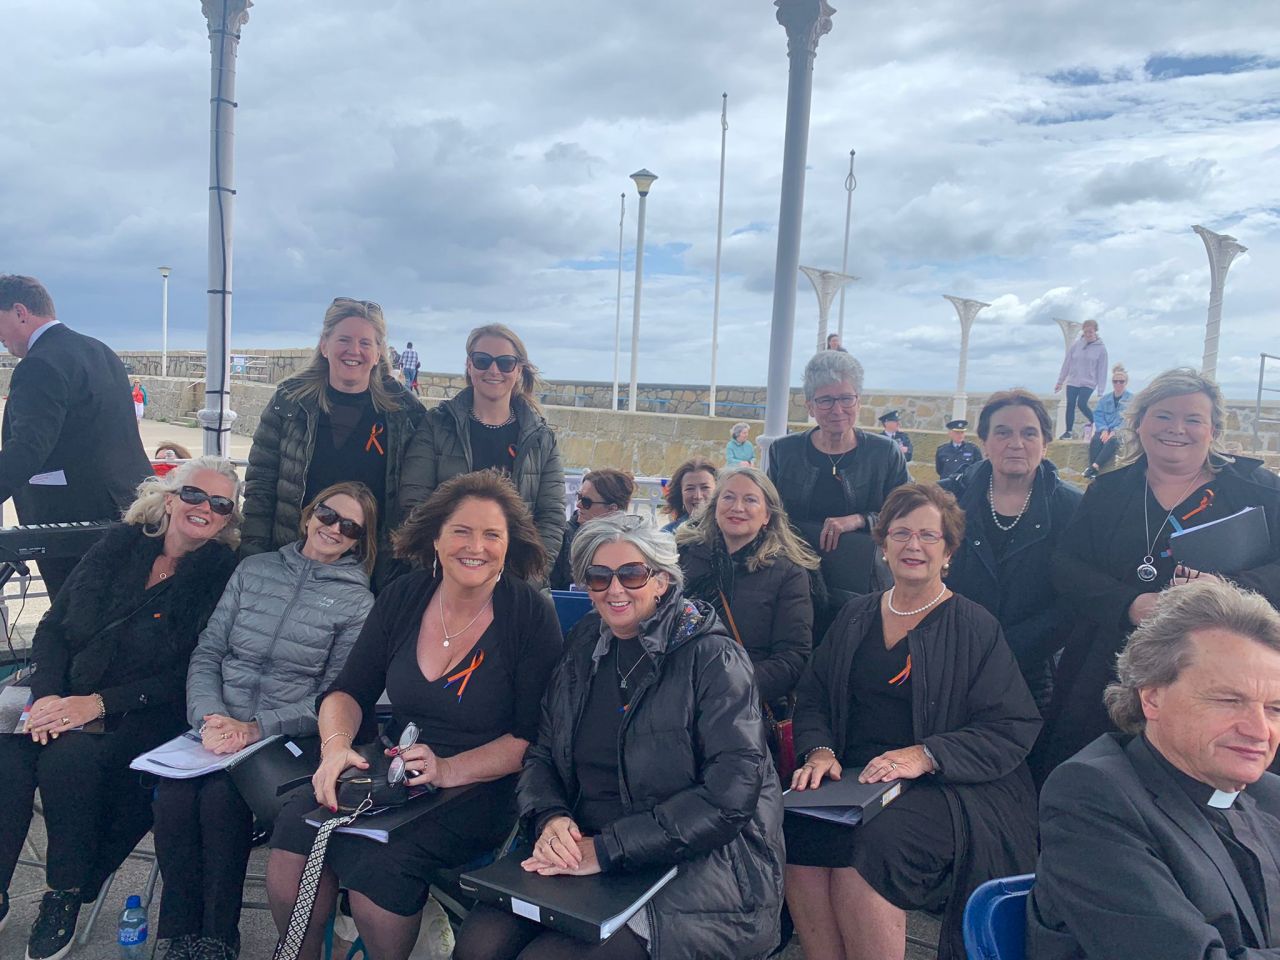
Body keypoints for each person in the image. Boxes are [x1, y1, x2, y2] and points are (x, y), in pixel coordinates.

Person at [454, 513, 785, 960]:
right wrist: (550, 817)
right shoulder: (585, 643)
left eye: (631, 574)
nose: (614, 590)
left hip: (699, 866)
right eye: (598, 576)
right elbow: (544, 754)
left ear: (662, 581)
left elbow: (730, 796)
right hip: (585, 845)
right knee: (478, 944)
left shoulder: (714, 660)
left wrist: (608, 849)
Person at [265, 470, 561, 960]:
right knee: (295, 834)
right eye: (462, 530)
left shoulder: (529, 613)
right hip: (393, 771)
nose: (477, 546)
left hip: (483, 785)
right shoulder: (404, 596)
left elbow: (530, 740)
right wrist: (336, 748)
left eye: (493, 535)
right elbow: (347, 692)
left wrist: (447, 769)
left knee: (378, 865)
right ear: (437, 537)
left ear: (510, 546)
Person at [786, 483, 1041, 960]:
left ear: (949, 552)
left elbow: (1011, 725)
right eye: (901, 533)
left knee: (870, 849)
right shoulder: (855, 614)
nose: (913, 545)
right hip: (857, 776)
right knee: (797, 830)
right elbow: (814, 693)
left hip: (952, 786)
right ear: (882, 545)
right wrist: (819, 750)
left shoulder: (975, 625)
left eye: (929, 535)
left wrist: (926, 755)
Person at [0, 457, 240, 960]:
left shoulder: (220, 577)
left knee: (69, 758)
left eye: (221, 504)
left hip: (144, 711)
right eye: (195, 495)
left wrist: (95, 703)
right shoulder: (119, 544)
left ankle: (62, 895)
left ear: (226, 519)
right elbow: (54, 627)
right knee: (10, 755)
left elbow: (186, 674)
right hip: (65, 692)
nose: (205, 509)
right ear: (170, 498)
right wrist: (46, 695)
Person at [151, 482, 377, 960]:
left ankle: (217, 936)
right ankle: (176, 932)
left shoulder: (359, 603)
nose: (333, 528)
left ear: (360, 540)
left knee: (219, 800)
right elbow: (209, 650)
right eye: (327, 514)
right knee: (172, 797)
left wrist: (256, 728)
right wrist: (209, 716)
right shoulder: (254, 570)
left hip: (279, 736)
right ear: (308, 514)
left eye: (349, 526)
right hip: (215, 724)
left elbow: (334, 696)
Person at [1038, 368, 1280, 780]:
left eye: (1193, 419)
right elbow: (1066, 566)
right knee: (1092, 774)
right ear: (1139, 423)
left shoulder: (1258, 489)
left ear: (1213, 429)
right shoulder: (1109, 491)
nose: (1177, 429)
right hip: (1109, 663)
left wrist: (1228, 590)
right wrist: (1127, 604)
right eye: (1163, 416)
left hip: (1228, 668)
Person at [1028, 579, 1280, 958]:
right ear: (1152, 697)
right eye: (1229, 700)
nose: (1260, 730)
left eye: (1275, 708)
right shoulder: (1092, 795)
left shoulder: (1268, 794)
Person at [242, 297, 424, 591]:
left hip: (368, 570)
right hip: (292, 557)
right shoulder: (289, 402)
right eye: (344, 339)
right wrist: (255, 559)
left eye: (366, 343)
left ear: (379, 352)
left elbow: (416, 500)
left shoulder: (405, 412)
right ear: (324, 345)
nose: (354, 351)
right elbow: (260, 487)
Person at [0, 275, 153, 596]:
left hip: (70, 521)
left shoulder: (39, 364)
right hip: (129, 508)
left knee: (75, 622)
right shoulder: (101, 351)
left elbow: (27, 449)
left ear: (20, 312)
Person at [939, 390, 1081, 709]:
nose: (1016, 443)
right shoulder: (947, 499)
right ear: (985, 442)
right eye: (1003, 432)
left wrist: (1006, 648)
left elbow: (1073, 598)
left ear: (1045, 443)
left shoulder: (1072, 509)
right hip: (950, 659)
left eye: (1029, 433)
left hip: (1031, 669)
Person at [401, 323, 566, 576]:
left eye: (505, 363)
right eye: (482, 360)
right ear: (469, 365)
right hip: (444, 577)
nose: (493, 370)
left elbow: (552, 519)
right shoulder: (436, 425)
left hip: (515, 581)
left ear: (518, 370)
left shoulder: (542, 439)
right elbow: (414, 503)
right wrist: (441, 572)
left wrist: (527, 581)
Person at [766, 351, 909, 596]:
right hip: (793, 576)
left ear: (859, 402)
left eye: (846, 398)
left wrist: (860, 519)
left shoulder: (885, 453)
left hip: (863, 581)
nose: (837, 409)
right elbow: (767, 511)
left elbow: (906, 513)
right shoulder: (783, 451)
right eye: (825, 400)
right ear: (810, 405)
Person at [677, 466, 819, 706]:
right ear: (715, 507)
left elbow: (792, 658)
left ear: (767, 516)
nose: (737, 507)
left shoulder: (789, 574)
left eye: (750, 500)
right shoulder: (683, 557)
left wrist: (725, 684)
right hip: (678, 693)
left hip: (742, 701)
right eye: (728, 497)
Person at [549, 468, 634, 590]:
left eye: (586, 502)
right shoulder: (561, 536)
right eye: (579, 497)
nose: (578, 504)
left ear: (612, 509)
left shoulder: (632, 542)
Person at [1054, 319, 1108, 440]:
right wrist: (1060, 381)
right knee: (1070, 404)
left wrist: (1101, 390)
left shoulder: (1101, 349)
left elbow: (1102, 370)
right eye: (1086, 331)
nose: (1088, 334)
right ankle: (1068, 432)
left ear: (1095, 332)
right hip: (1073, 380)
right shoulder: (1076, 345)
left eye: (1091, 332)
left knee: (1082, 403)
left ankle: (1097, 422)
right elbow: (1067, 363)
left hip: (1089, 382)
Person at [1084, 364, 1133, 480]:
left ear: (1126, 382)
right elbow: (1098, 414)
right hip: (1105, 429)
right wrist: (1104, 429)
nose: (1118, 384)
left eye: (1121, 381)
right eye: (1115, 381)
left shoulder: (1131, 399)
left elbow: (1129, 418)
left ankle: (1094, 467)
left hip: (1121, 431)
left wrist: (1115, 431)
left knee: (1113, 441)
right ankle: (1093, 470)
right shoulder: (1105, 399)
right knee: (1096, 440)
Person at [661, 457, 717, 533]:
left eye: (705, 487)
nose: (698, 496)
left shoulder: (730, 534)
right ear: (680, 493)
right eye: (690, 489)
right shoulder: (667, 534)